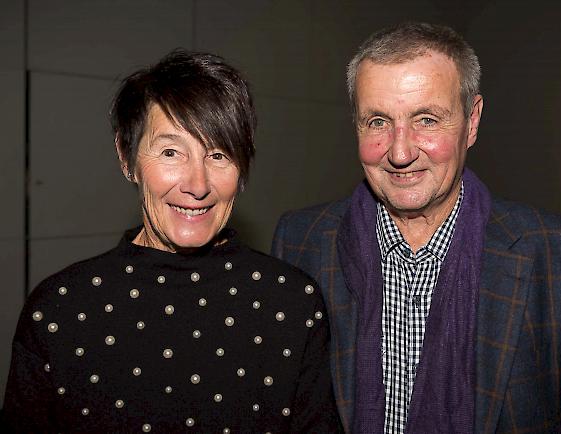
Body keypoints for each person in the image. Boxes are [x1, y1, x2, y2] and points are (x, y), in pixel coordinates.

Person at [272, 22, 561, 433]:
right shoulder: (301, 242)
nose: (400, 152)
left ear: (472, 121)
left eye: (426, 119)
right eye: (378, 122)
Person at [4, 50, 341, 433]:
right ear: (126, 157)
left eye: (219, 154)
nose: (197, 185)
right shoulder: (59, 311)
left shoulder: (292, 303)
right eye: (170, 152)